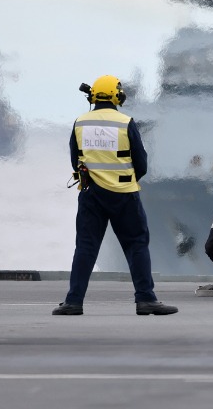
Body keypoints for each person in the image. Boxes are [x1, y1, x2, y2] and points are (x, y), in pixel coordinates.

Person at [53, 76, 178, 316]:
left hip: (91, 196)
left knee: (86, 247)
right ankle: (145, 300)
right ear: (117, 96)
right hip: (124, 196)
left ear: (93, 97)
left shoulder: (80, 123)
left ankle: (73, 302)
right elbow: (141, 162)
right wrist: (124, 179)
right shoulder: (125, 122)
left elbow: (74, 159)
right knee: (136, 245)